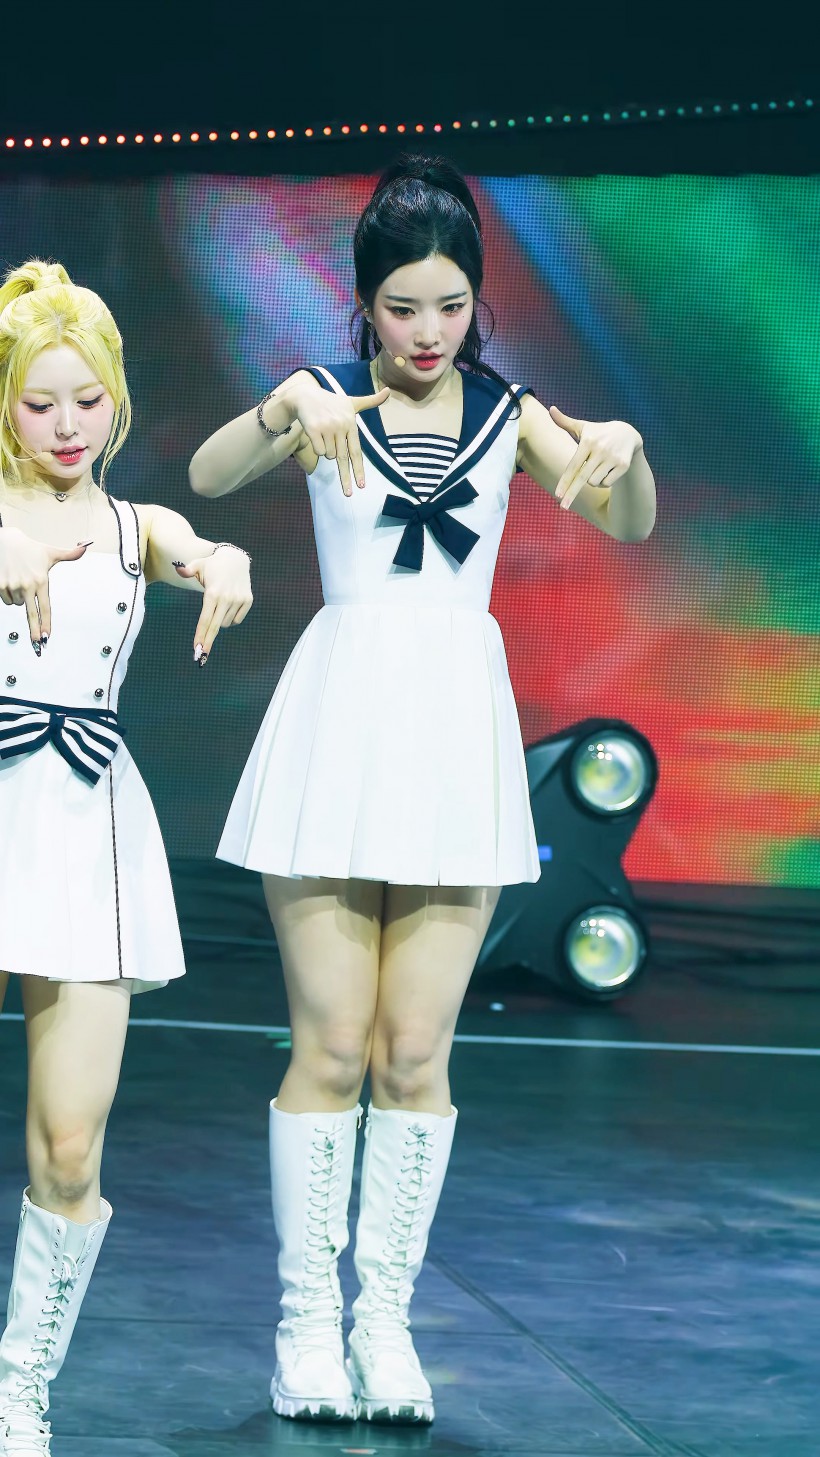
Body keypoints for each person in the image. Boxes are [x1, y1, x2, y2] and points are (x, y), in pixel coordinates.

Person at [190, 154, 656, 1426]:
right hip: (341, 727)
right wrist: (286, 402)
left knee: (413, 1052)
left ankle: (384, 1322)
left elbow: (627, 519)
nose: (427, 330)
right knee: (332, 1043)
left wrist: (624, 449)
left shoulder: (510, 414)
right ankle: (305, 1325)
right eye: (402, 307)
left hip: (453, 737)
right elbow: (210, 476)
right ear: (365, 302)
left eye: (450, 305)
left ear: (475, 301)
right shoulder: (325, 397)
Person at [0, 260, 253, 1457]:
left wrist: (225, 562)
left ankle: (20, 1392)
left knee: (69, 1141)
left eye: (87, 400)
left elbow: (196, 544)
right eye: (39, 400)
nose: (67, 424)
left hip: (87, 826)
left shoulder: (133, 526)